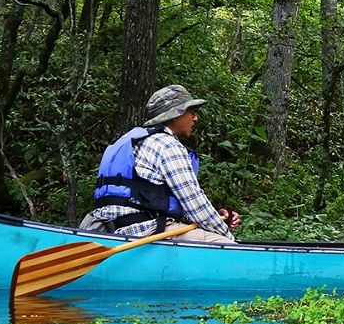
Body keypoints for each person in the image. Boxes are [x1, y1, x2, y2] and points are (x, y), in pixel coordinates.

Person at [79, 85, 240, 243]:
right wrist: (230, 238)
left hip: (107, 225)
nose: (195, 118)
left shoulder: (139, 140)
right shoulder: (167, 145)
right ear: (175, 114)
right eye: (192, 112)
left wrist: (218, 217)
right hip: (140, 230)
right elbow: (195, 204)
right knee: (224, 245)